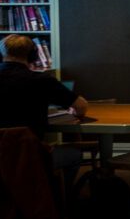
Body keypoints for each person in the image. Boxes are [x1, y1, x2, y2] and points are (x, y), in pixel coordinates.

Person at [0, 34, 88, 169]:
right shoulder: (42, 80)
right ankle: (55, 190)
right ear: (33, 56)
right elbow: (81, 106)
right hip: (30, 155)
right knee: (73, 155)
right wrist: (76, 112)